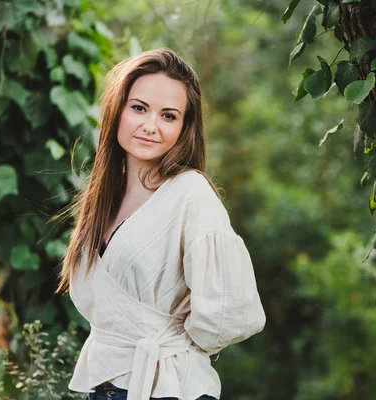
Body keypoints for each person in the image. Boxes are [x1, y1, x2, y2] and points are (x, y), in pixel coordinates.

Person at [55, 48, 266, 400]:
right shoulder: (104, 198)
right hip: (106, 384)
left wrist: (176, 343)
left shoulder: (190, 193)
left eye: (168, 115)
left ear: (184, 127)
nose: (150, 126)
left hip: (169, 386)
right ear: (117, 110)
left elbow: (230, 312)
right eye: (139, 108)